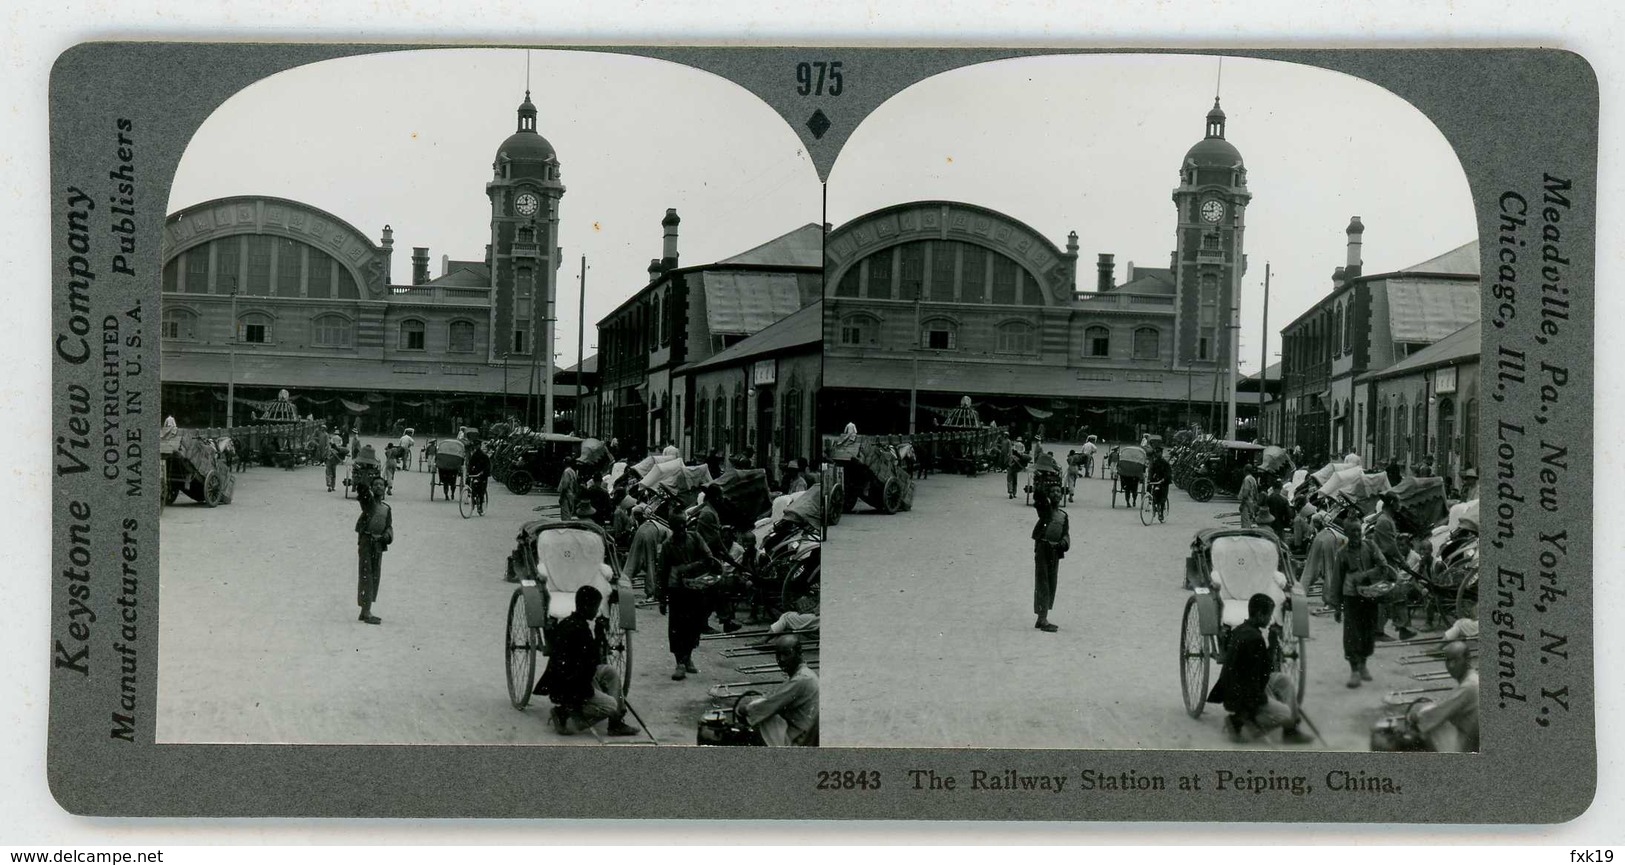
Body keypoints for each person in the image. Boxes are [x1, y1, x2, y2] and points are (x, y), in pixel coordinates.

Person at [1206, 593, 1313, 744]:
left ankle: (1290, 730)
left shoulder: (1241, 630)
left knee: (1284, 681)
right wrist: (1273, 646)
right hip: (1244, 693)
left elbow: (1260, 669)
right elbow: (1261, 674)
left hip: (1242, 684)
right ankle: (1238, 720)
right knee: (1285, 713)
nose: (1270, 620)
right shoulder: (1255, 639)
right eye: (1268, 616)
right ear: (1259, 615)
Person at [534, 585, 640, 737]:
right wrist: (589, 695)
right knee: (610, 705)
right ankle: (565, 712)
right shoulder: (582, 631)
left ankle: (615, 721)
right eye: (595, 607)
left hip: (571, 677)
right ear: (587, 607)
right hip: (571, 686)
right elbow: (589, 666)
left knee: (609, 672)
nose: (597, 612)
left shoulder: (567, 622)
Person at [1325, 511, 1391, 688]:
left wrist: (1366, 575)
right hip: (1351, 598)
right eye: (1352, 531)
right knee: (1352, 633)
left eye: (1357, 530)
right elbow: (1337, 579)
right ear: (1346, 533)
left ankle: (1363, 664)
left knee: (1368, 630)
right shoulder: (1342, 554)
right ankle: (1354, 670)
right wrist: (1337, 607)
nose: (1356, 534)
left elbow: (1383, 566)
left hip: (1370, 595)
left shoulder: (1370, 546)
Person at [660, 514, 719, 680]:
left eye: (683, 528)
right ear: (672, 529)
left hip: (695, 586)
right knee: (677, 626)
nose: (681, 532)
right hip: (676, 589)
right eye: (677, 529)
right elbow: (662, 572)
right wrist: (661, 598)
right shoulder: (667, 545)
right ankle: (679, 662)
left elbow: (708, 557)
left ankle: (688, 658)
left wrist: (689, 567)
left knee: (694, 625)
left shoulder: (695, 537)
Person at [738, 635, 820, 746]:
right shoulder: (806, 674)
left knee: (764, 715)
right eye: (778, 654)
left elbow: (770, 704)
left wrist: (746, 709)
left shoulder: (801, 679)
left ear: (799, 653)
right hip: (807, 732)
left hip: (802, 739)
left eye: (787, 654)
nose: (781, 659)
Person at [1411, 641, 1479, 752]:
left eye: (1455, 660)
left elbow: (1439, 712)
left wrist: (1415, 716)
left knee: (1429, 716)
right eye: (1448, 660)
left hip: (1470, 743)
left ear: (1467, 660)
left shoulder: (1469, 685)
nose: (1451, 665)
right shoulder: (1473, 678)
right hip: (1474, 737)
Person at [1370, 493, 1419, 642]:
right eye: (1398, 502)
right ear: (1392, 504)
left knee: (1395, 595)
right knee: (1390, 595)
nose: (1400, 505)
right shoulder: (1384, 521)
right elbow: (1390, 546)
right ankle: (1383, 631)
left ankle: (1401, 628)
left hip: (1387, 563)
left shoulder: (1387, 519)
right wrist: (1402, 561)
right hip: (1384, 564)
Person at [354, 476, 393, 625]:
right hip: (366, 542)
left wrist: (386, 536)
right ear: (371, 488)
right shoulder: (369, 504)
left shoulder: (386, 508)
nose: (378, 487)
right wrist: (363, 483)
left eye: (381, 484)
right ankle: (366, 611)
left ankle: (365, 610)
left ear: (385, 488)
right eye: (375, 484)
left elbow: (389, 526)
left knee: (375, 575)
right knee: (366, 575)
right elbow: (363, 494)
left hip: (378, 544)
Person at [1030, 488, 1069, 632]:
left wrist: (1064, 543)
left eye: (1059, 491)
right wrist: (1042, 489)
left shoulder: (1063, 516)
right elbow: (1038, 498)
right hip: (1042, 548)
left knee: (1051, 583)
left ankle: (1041, 617)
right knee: (1043, 582)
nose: (1056, 494)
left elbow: (1065, 534)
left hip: (1055, 551)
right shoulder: (1045, 510)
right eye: (1052, 491)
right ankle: (1043, 618)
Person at [1262, 478, 1294, 543]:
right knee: (1281, 543)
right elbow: (1288, 514)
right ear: (1281, 488)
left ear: (1273, 488)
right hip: (1280, 524)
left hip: (1269, 524)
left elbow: (1263, 510)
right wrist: (1286, 523)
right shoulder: (1284, 500)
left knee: (1270, 542)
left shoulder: (1268, 499)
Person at [466, 439, 491, 514]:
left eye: (477, 445)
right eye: (475, 446)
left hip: (482, 474)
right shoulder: (474, 455)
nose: (476, 447)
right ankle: (472, 499)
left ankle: (480, 507)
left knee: (481, 490)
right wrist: (469, 472)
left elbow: (488, 466)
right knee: (470, 485)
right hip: (475, 473)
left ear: (479, 446)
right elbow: (470, 464)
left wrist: (483, 472)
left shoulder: (484, 455)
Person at [1147, 448, 1172, 519]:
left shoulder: (1165, 463)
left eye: (1159, 452)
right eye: (1156, 453)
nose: (1157, 454)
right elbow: (1151, 471)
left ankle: (1161, 513)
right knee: (1151, 489)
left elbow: (1168, 473)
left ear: (1161, 453)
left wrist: (1164, 479)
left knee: (1162, 496)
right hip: (1156, 480)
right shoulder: (1154, 462)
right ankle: (1151, 502)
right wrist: (1149, 479)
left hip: (1164, 481)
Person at [324, 428, 343, 492]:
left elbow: (325, 454)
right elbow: (341, 444)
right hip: (334, 461)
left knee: (328, 473)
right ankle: (333, 486)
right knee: (334, 474)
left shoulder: (329, 446)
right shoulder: (340, 438)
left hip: (328, 461)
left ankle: (329, 485)